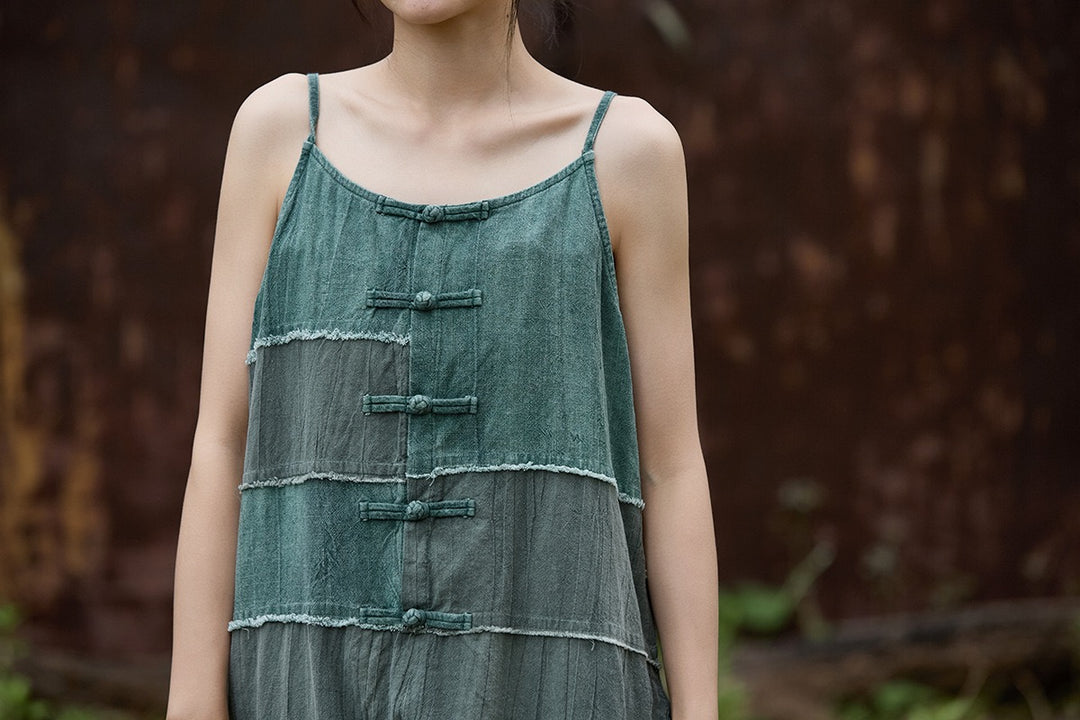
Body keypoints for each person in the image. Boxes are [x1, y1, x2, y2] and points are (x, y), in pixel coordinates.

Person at [167, 0, 718, 718]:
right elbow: (221, 443)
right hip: (308, 685)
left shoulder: (628, 152)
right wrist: (191, 701)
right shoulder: (279, 134)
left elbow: (671, 467)